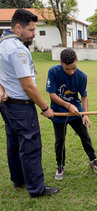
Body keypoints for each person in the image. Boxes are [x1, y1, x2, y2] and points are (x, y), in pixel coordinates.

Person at [0, 9, 59, 197]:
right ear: (18, 27)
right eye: (32, 30)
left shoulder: (2, 43)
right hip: (21, 107)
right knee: (30, 145)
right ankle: (36, 188)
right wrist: (45, 107)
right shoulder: (17, 49)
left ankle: (18, 180)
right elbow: (28, 86)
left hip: (7, 105)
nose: (34, 34)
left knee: (14, 143)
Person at [46, 48, 97, 180]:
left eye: (74, 68)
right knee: (60, 140)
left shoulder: (82, 76)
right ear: (61, 62)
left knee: (85, 136)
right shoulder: (53, 72)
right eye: (68, 69)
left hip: (76, 112)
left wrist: (85, 114)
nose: (71, 72)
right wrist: (67, 105)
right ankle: (60, 165)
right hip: (58, 113)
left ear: (77, 61)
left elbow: (84, 96)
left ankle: (93, 160)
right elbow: (52, 94)